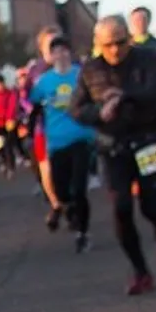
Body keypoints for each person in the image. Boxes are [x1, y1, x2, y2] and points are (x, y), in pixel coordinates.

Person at [70, 16, 156, 294]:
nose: (115, 50)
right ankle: (141, 271)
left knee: (151, 206)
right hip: (113, 146)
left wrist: (124, 96)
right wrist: (98, 112)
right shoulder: (90, 69)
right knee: (121, 209)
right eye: (108, 44)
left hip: (149, 140)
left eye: (121, 42)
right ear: (98, 43)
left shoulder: (147, 58)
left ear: (129, 38)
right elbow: (77, 109)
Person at [27, 36, 96, 252]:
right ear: (51, 56)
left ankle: (82, 233)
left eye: (65, 50)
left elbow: (95, 99)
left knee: (79, 188)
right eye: (56, 51)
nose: (61, 55)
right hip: (56, 141)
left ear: (70, 53)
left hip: (81, 137)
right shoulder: (44, 82)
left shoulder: (81, 75)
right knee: (61, 190)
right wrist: (29, 132)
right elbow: (33, 105)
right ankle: (70, 211)